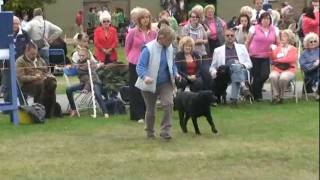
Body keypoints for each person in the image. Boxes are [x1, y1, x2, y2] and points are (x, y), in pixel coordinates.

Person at [135, 26, 180, 139]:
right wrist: (145, 77)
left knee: (168, 104)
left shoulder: (170, 48)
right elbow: (140, 66)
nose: (171, 43)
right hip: (149, 84)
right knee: (151, 109)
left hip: (165, 82)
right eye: (169, 40)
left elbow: (172, 64)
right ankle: (149, 131)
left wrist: (176, 73)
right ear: (161, 37)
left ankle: (165, 131)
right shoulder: (148, 49)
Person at [125, 8, 157, 123]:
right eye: (143, 18)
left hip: (148, 62)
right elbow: (127, 46)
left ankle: (147, 112)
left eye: (147, 17)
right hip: (135, 62)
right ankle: (137, 114)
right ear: (139, 20)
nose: (145, 20)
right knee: (135, 87)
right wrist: (130, 57)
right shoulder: (133, 32)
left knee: (146, 87)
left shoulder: (154, 32)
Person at [210, 29, 252, 104]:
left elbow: (249, 63)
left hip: (241, 70)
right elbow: (212, 67)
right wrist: (214, 72)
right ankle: (243, 86)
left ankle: (233, 99)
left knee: (236, 67)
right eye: (227, 35)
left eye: (232, 35)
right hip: (225, 73)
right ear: (224, 37)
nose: (230, 37)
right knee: (232, 63)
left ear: (234, 37)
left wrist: (241, 65)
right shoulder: (217, 50)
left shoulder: (242, 47)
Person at [65, 47, 109, 118]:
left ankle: (105, 113)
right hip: (83, 84)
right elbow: (72, 69)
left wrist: (86, 88)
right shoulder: (78, 63)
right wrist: (68, 66)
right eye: (80, 55)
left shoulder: (91, 63)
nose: (81, 57)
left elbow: (92, 78)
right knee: (68, 90)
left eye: (83, 55)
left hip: (94, 82)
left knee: (97, 93)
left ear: (87, 55)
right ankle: (74, 109)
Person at [246, 12, 280, 101]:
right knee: (256, 76)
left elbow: (278, 42)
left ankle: (252, 89)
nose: (266, 20)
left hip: (267, 55)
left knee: (265, 75)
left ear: (270, 20)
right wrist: (245, 53)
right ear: (260, 20)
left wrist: (278, 51)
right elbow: (247, 41)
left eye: (268, 18)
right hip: (254, 55)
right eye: (264, 18)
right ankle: (258, 96)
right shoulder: (254, 28)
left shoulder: (275, 29)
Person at [1, 16, 30, 107]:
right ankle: (7, 106)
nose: (15, 25)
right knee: (6, 86)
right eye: (13, 23)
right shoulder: (4, 34)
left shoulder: (25, 34)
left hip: (21, 64)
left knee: (21, 86)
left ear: (20, 24)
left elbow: (29, 47)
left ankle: (24, 105)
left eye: (17, 23)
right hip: (7, 64)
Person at [269, 29, 297, 103]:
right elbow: (272, 58)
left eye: (284, 36)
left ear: (289, 38)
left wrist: (277, 60)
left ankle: (281, 96)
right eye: (281, 36)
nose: (282, 37)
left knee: (283, 78)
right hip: (277, 69)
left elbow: (290, 59)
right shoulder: (277, 48)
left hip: (289, 69)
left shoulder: (293, 49)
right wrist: (271, 51)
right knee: (272, 76)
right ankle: (276, 95)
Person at [299, 32, 319, 99]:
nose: (313, 43)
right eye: (311, 41)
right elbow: (304, 67)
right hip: (310, 74)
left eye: (315, 41)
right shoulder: (304, 54)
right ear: (307, 43)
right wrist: (314, 64)